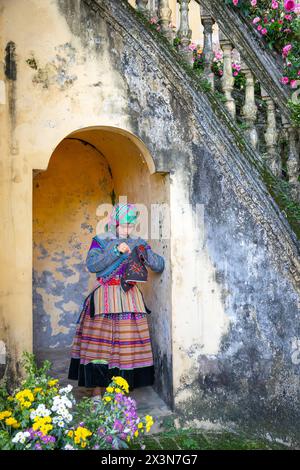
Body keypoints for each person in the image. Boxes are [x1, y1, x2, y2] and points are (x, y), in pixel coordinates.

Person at [68, 202, 165, 397]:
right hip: (105, 297)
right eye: (123, 224)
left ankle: (121, 393)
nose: (127, 229)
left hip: (130, 299)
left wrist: (146, 255)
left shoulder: (138, 242)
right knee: (100, 347)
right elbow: (92, 264)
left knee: (126, 348)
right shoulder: (101, 240)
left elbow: (159, 265)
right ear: (114, 223)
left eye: (130, 225)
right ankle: (96, 392)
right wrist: (115, 251)